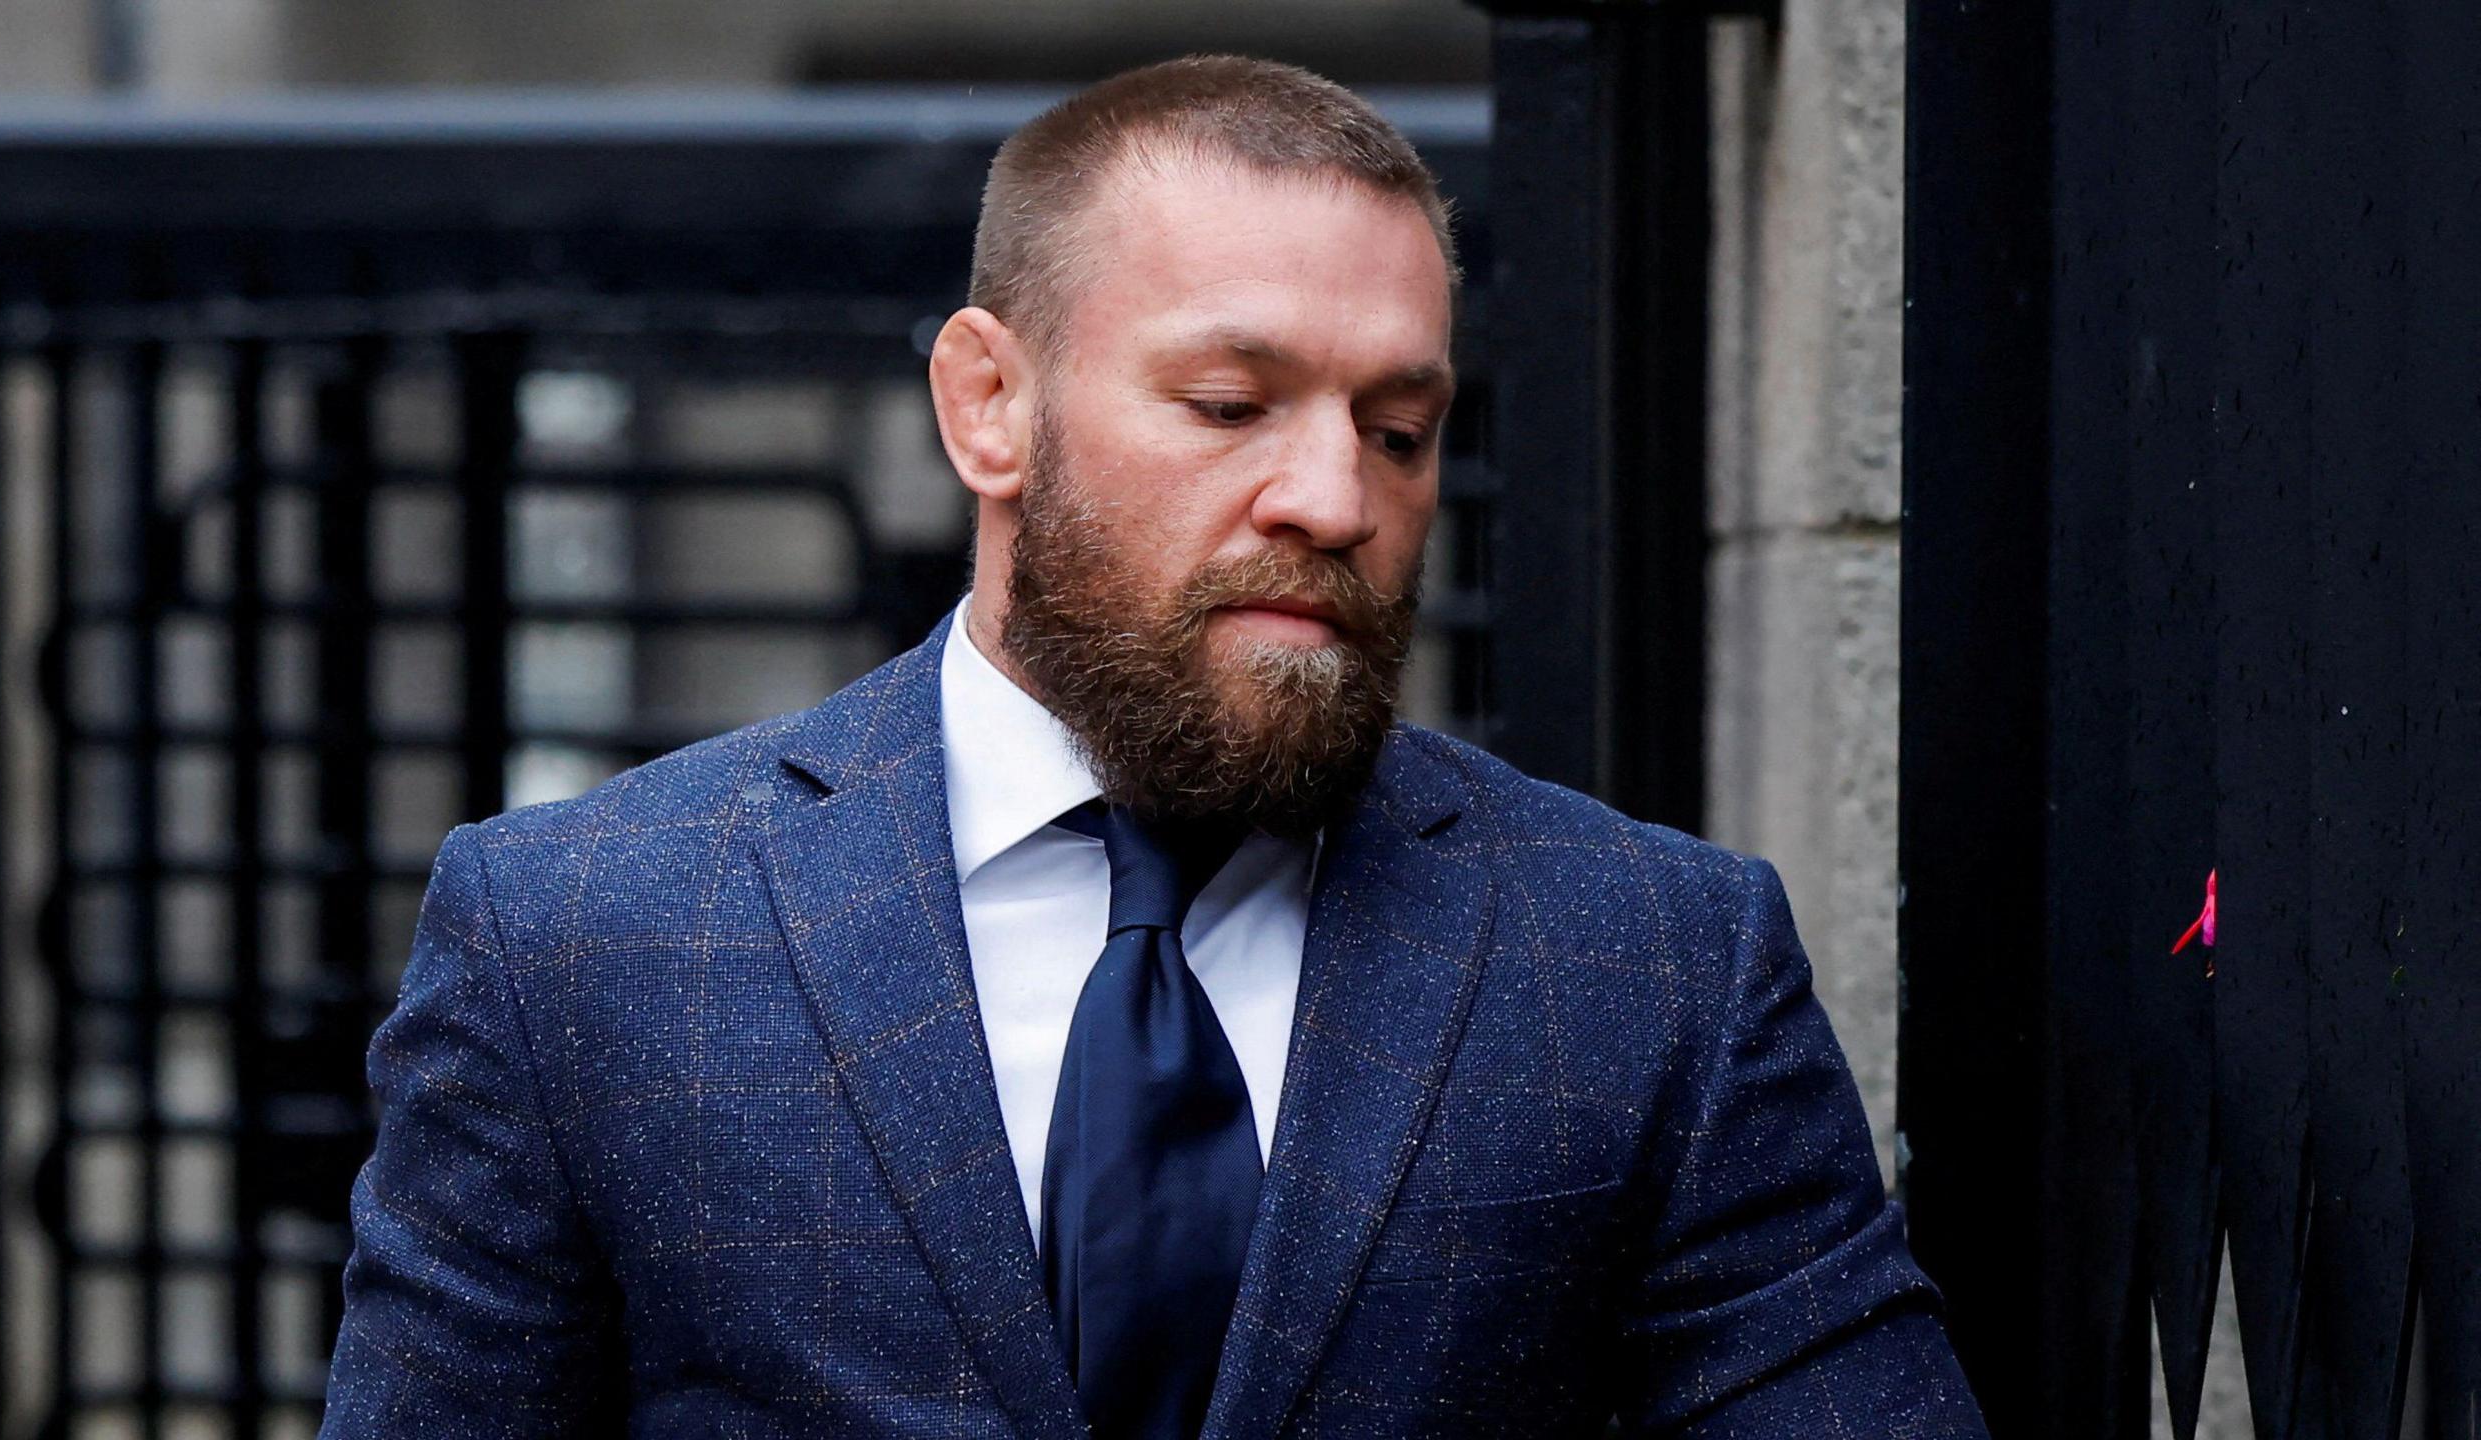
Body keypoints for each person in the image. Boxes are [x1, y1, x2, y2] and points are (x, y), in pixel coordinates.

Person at [319, 54, 1989, 1440]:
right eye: (1230, 403)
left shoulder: (1655, 964)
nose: (1336, 499)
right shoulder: (581, 934)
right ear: (990, 406)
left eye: (1399, 430)